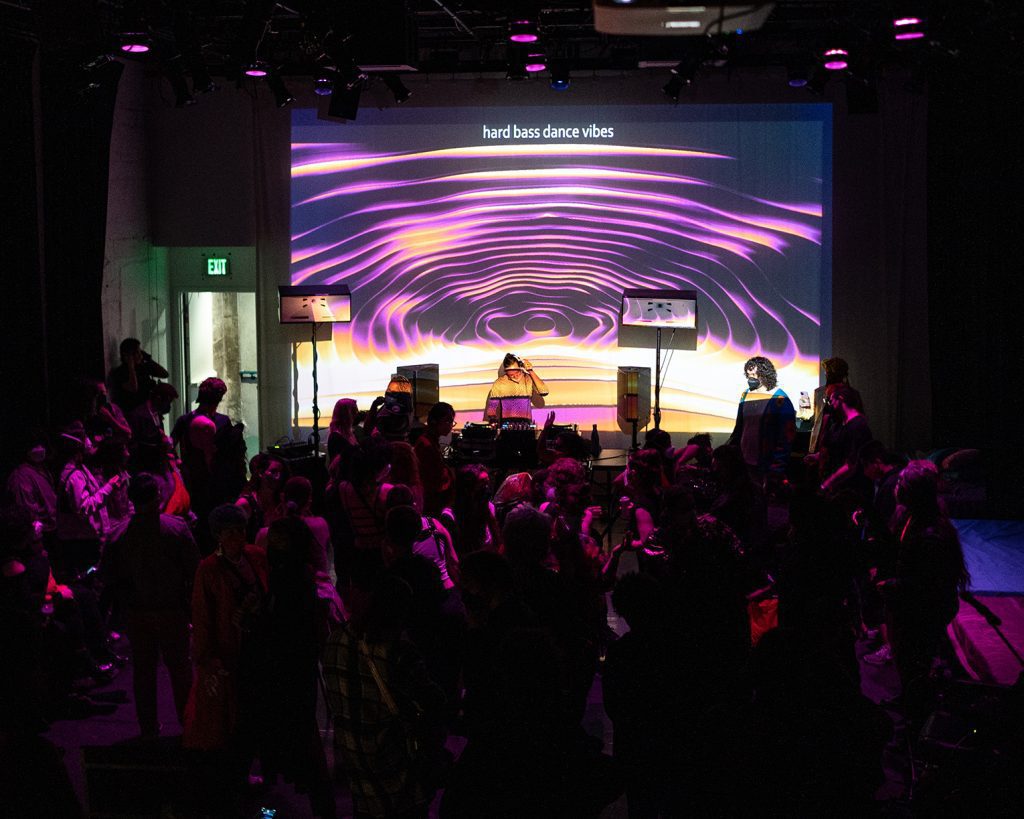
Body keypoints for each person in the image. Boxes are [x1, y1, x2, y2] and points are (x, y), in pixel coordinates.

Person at [101, 474, 199, 738]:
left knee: (143, 673)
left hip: (136, 613)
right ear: (158, 495)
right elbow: (194, 569)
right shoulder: (176, 528)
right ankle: (188, 724)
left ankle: (148, 729)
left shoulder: (117, 533)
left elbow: (107, 577)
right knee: (180, 670)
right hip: (171, 611)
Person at [726, 355, 796, 486]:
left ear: (764, 374)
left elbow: (786, 435)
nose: (750, 378)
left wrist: (777, 466)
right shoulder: (745, 395)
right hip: (745, 459)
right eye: (748, 375)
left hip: (766, 463)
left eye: (753, 374)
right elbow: (740, 426)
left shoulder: (780, 399)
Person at [414, 402, 456, 518]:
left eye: (451, 422)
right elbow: (433, 482)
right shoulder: (426, 446)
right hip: (431, 505)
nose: (450, 425)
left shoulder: (428, 442)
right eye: (448, 421)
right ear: (434, 421)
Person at [108, 337, 169, 414]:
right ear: (128, 355)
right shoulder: (120, 372)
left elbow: (164, 374)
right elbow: (133, 388)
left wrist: (148, 359)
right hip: (133, 413)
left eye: (140, 352)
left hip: (148, 411)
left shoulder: (142, 367)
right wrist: (131, 366)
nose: (140, 355)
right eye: (137, 352)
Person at [484, 353, 548, 423]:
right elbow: (492, 407)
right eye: (511, 375)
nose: (515, 376)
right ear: (506, 371)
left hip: (526, 426)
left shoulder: (528, 379)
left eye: (517, 372)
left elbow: (544, 391)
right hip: (506, 426)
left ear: (521, 367)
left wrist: (530, 371)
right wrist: (493, 419)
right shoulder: (499, 383)